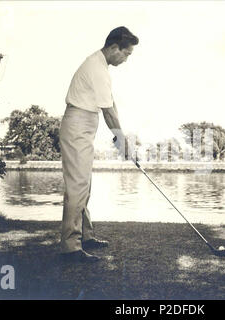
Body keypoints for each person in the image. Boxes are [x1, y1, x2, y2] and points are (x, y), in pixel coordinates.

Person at [59, 26, 139, 262]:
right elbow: (108, 113)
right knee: (78, 186)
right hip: (78, 124)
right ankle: (71, 248)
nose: (126, 59)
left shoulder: (100, 66)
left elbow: (111, 105)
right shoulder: (97, 68)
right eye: (126, 54)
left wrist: (121, 139)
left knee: (84, 184)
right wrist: (122, 140)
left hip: (84, 124)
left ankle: (85, 235)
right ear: (114, 48)